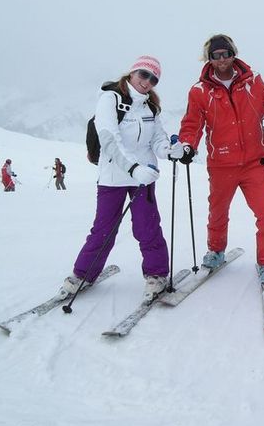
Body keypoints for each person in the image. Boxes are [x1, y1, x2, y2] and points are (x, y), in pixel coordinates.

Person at [60, 55, 184, 302]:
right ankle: (82, 274)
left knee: (147, 227)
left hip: (144, 176)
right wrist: (133, 168)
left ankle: (157, 275)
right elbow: (109, 138)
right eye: (143, 74)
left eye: (153, 79)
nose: (147, 82)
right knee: (103, 230)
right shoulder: (110, 99)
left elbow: (157, 138)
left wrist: (170, 150)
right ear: (132, 73)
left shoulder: (150, 107)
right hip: (114, 176)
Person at [178, 34, 264, 286]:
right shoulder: (199, 90)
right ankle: (215, 251)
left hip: (254, 162)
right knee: (218, 212)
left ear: (233, 54)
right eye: (216, 55)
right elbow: (193, 123)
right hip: (221, 164)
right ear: (209, 58)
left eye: (226, 53)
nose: (222, 59)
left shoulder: (253, 81)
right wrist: (187, 145)